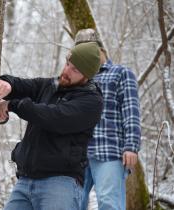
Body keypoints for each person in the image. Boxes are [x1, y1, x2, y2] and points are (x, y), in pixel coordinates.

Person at [0, 42, 103, 210]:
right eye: (68, 64)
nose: (66, 71)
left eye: (75, 70)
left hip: (60, 184)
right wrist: (7, 84)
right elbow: (23, 85)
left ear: (87, 75)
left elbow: (53, 117)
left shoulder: (91, 101)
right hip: (25, 182)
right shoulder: (50, 86)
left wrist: (12, 105)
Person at [76, 29, 141, 210]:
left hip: (109, 151)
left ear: (100, 49)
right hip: (77, 153)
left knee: (109, 203)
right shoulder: (78, 78)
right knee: (71, 203)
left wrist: (131, 146)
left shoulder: (121, 73)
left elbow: (131, 112)